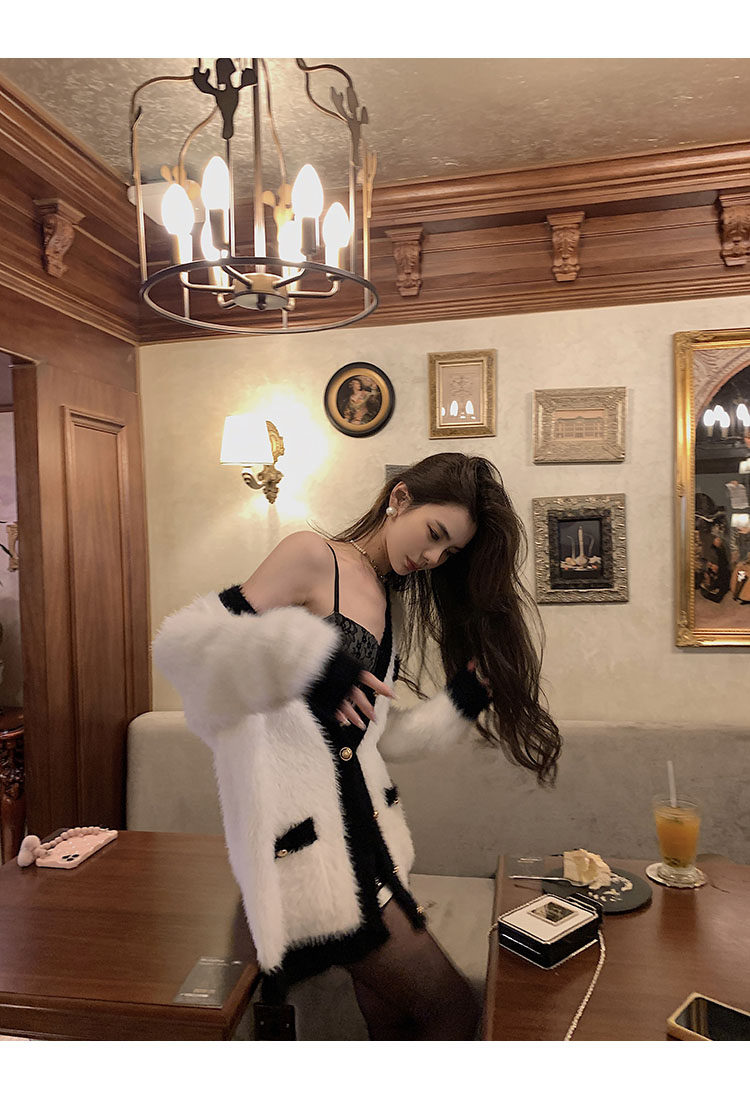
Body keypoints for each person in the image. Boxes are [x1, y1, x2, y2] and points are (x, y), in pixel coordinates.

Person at [153, 452, 561, 1040]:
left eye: (448, 553)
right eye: (434, 534)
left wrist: (464, 698)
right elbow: (183, 646)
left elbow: (378, 737)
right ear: (400, 498)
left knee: (394, 1024)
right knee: (453, 1012)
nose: (432, 558)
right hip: (307, 862)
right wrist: (307, 662)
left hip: (365, 849)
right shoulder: (312, 556)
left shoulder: (386, 598)